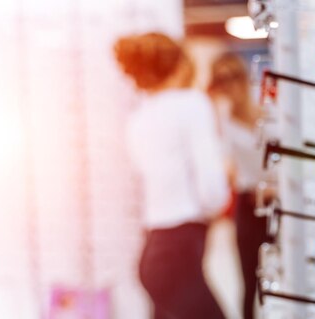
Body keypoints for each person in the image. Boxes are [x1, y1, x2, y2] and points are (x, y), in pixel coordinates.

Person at [114, 32, 229, 319]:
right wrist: (216, 205)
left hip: (155, 249)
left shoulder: (138, 118)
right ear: (179, 64)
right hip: (179, 249)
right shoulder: (192, 104)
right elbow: (212, 189)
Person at [207, 53, 268, 319]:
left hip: (276, 199)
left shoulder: (264, 104)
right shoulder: (222, 115)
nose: (228, 85)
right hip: (247, 200)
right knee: (248, 276)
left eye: (231, 77)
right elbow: (226, 163)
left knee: (282, 270)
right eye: (221, 80)